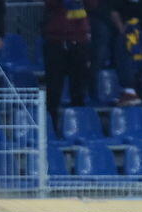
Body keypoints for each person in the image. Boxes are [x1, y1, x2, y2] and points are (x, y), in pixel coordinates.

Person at [42, 0, 96, 131]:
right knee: (54, 88)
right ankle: (51, 127)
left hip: (80, 39)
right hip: (56, 40)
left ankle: (78, 128)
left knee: (78, 88)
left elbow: (93, 5)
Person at [90, 1, 142, 105]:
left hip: (123, 22)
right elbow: (113, 11)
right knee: (102, 54)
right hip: (104, 18)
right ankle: (94, 93)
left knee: (128, 53)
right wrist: (121, 28)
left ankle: (131, 92)